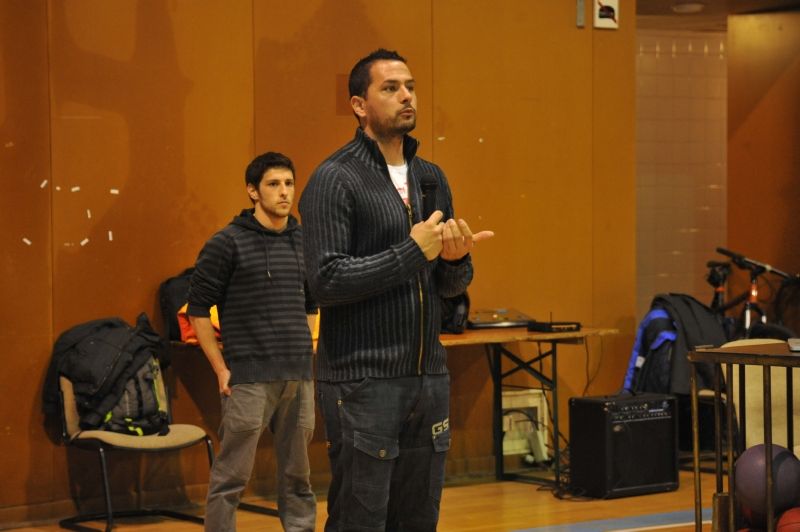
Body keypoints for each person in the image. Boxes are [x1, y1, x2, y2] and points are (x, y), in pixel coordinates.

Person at [299, 49, 493, 532]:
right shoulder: (334, 179)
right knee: (360, 520)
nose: (405, 95)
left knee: (418, 519)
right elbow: (325, 281)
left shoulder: (431, 177)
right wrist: (412, 252)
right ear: (359, 105)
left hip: (428, 375)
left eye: (409, 86)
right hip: (363, 381)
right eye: (390, 88)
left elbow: (448, 287)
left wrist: (455, 259)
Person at [187, 152, 317, 532]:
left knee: (299, 480)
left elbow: (311, 305)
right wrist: (221, 369)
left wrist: (305, 350)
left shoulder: (303, 240)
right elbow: (198, 311)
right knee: (230, 480)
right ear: (252, 191)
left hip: (298, 376)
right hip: (249, 378)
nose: (284, 193)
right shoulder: (226, 242)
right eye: (273, 184)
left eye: (289, 184)